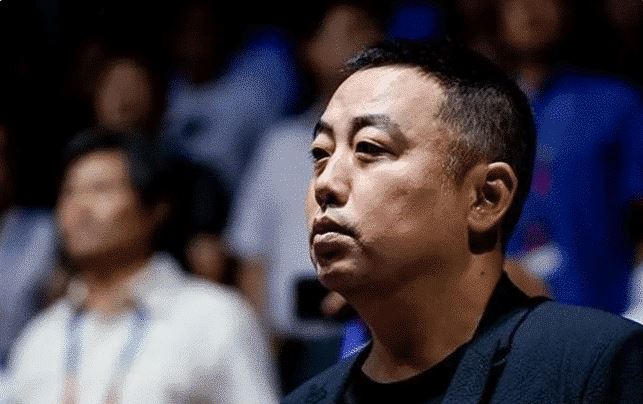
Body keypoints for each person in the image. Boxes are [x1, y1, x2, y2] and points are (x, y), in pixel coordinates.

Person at [283, 40, 643, 403]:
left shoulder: (595, 369)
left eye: (370, 147)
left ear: (486, 197)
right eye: (320, 154)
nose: (325, 183)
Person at [3, 129, 278, 403]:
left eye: (100, 189)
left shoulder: (213, 319)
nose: (80, 206)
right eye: (69, 192)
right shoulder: (41, 337)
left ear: (156, 208)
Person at [226, 1, 383, 393]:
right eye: (349, 30)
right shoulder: (280, 144)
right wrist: (261, 349)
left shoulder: (397, 141)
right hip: (294, 347)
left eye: (370, 28)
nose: (366, 41)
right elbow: (253, 256)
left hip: (381, 336)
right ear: (310, 48)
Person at [497, 0, 643, 314]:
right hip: (508, 317)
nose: (531, 9)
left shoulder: (616, 102)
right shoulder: (485, 110)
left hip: (606, 312)